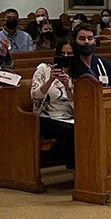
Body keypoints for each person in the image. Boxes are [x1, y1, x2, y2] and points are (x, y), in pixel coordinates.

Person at [31, 38, 75, 170]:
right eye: (63, 53)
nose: (65, 57)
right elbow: (35, 96)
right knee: (69, 131)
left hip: (69, 116)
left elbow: (77, 105)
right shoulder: (43, 69)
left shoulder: (77, 74)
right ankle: (74, 169)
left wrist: (67, 86)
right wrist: (50, 79)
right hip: (46, 116)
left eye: (69, 54)